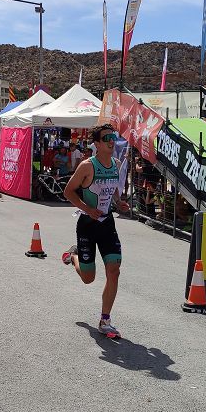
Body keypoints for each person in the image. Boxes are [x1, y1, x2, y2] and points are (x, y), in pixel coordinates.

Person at [61, 123, 130, 338]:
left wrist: (119, 202)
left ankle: (105, 320)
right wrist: (88, 209)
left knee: (114, 271)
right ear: (97, 144)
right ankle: (73, 256)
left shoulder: (116, 164)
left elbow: (114, 190)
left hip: (107, 224)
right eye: (107, 138)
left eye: (113, 137)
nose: (111, 141)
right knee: (88, 278)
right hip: (87, 225)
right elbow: (68, 192)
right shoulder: (86, 166)